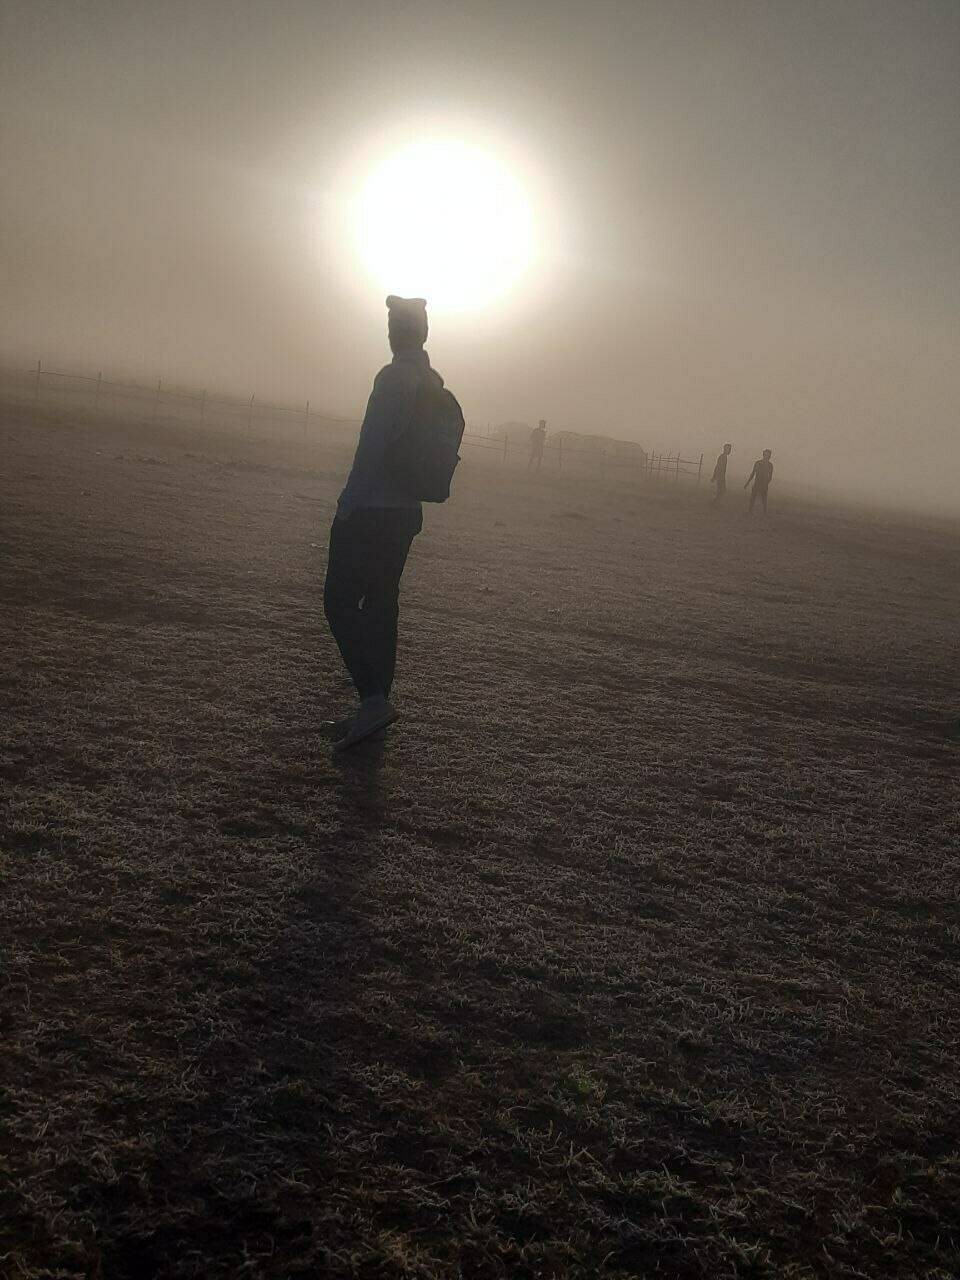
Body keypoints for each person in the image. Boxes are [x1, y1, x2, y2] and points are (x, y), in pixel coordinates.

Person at [322, 295, 448, 750]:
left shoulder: (394, 377)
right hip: (406, 511)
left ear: (396, 333)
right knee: (381, 605)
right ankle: (374, 705)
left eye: (394, 325)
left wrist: (347, 505)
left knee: (338, 602)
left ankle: (372, 699)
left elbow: (371, 445)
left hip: (372, 509)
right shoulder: (432, 380)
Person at [744, 449, 774, 513]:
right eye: (766, 455)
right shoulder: (758, 463)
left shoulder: (770, 465)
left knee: (764, 500)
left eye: (768, 455)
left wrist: (766, 483)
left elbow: (770, 477)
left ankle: (764, 513)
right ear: (763, 455)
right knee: (753, 498)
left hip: (764, 485)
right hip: (757, 483)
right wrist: (747, 483)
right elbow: (753, 473)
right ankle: (750, 511)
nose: (767, 457)